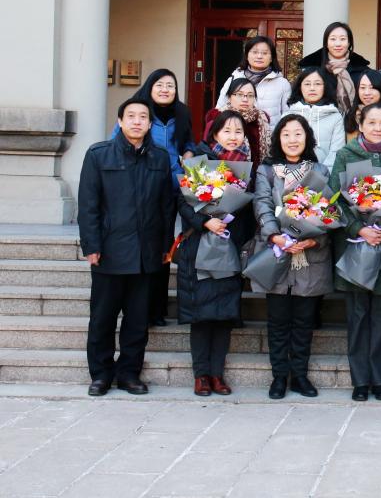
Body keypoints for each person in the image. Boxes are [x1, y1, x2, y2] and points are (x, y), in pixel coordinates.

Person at [79, 99, 175, 397]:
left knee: (137, 320)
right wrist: (91, 244)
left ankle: (129, 374)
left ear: (149, 124)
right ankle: (100, 374)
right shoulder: (98, 154)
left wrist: (166, 245)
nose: (136, 121)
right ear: (120, 121)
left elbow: (166, 206)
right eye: (130, 116)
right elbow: (89, 204)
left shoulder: (159, 158)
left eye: (143, 117)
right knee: (102, 318)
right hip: (109, 250)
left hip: (147, 253)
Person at [329, 103, 381, 402]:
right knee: (358, 314)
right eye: (371, 122)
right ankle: (360, 380)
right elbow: (334, 199)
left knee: (380, 315)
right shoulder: (346, 155)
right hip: (355, 244)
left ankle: (379, 379)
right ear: (360, 125)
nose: (377, 128)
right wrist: (358, 229)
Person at [252, 114, 334, 399]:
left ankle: (299, 376)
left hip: (310, 255)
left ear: (307, 137)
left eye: (298, 133)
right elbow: (262, 204)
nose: (292, 139)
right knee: (278, 320)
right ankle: (279, 377)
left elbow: (327, 209)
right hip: (277, 252)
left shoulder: (320, 170)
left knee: (303, 321)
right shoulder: (267, 171)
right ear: (278, 138)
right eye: (286, 134)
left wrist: (312, 238)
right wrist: (276, 236)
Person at [174, 111, 255, 397]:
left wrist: (233, 229)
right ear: (215, 134)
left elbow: (249, 210)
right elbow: (183, 203)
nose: (233, 136)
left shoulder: (245, 168)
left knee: (223, 315)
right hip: (199, 247)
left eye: (238, 131)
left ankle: (217, 375)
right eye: (227, 131)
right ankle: (201, 375)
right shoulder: (198, 162)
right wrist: (205, 222)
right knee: (201, 315)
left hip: (228, 248)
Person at [113, 68, 195, 327]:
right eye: (159, 84)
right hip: (141, 187)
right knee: (143, 247)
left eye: (170, 85)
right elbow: (117, 145)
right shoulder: (138, 111)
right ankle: (139, 309)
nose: (165, 89)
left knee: (163, 248)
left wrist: (188, 156)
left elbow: (188, 142)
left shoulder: (182, 112)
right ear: (150, 86)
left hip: (170, 188)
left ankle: (157, 310)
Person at [215, 36, 291, 127]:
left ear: (271, 58)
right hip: (237, 132)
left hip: (270, 134)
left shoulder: (282, 83)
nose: (259, 56)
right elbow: (220, 109)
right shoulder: (234, 78)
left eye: (264, 53)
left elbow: (288, 115)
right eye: (255, 52)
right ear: (247, 55)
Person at [298, 22, 372, 115]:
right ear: (326, 43)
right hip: (321, 119)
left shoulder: (362, 70)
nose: (338, 44)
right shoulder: (312, 69)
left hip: (354, 120)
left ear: (349, 43)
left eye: (342, 39)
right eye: (333, 39)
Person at [287, 67, 346, 168]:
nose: (312, 88)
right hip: (292, 173)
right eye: (307, 84)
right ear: (300, 87)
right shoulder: (288, 116)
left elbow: (336, 152)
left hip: (325, 174)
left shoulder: (335, 117)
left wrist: (322, 174)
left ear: (325, 87)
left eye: (317, 84)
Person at [205, 78, 272, 168]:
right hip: (224, 171)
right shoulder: (217, 117)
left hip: (259, 173)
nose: (245, 99)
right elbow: (207, 149)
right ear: (229, 97)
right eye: (239, 94)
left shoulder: (262, 118)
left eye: (250, 95)